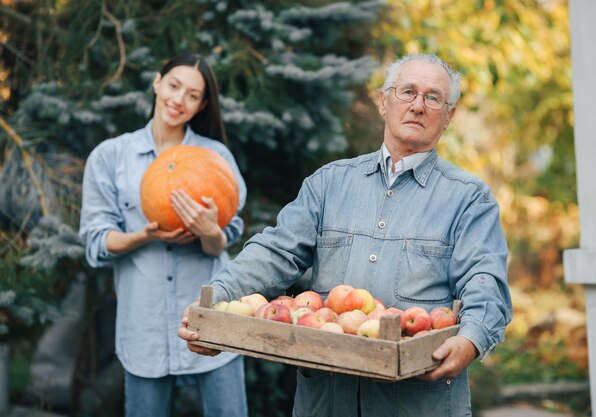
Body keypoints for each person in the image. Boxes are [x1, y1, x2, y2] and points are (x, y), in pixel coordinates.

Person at [179, 53, 513, 417]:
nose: (418, 105)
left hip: (418, 404)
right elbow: (274, 253)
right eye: (407, 92)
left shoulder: (468, 199)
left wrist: (471, 338)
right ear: (384, 102)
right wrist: (216, 305)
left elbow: (486, 280)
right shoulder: (329, 183)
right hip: (326, 402)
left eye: (433, 97)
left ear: (448, 116)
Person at [79, 53, 248, 417]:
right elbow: (95, 243)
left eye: (192, 95)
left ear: (202, 104)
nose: (178, 100)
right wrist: (144, 236)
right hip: (145, 326)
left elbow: (226, 238)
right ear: (157, 83)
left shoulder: (215, 156)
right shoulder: (110, 157)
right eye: (173, 86)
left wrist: (209, 231)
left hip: (213, 315)